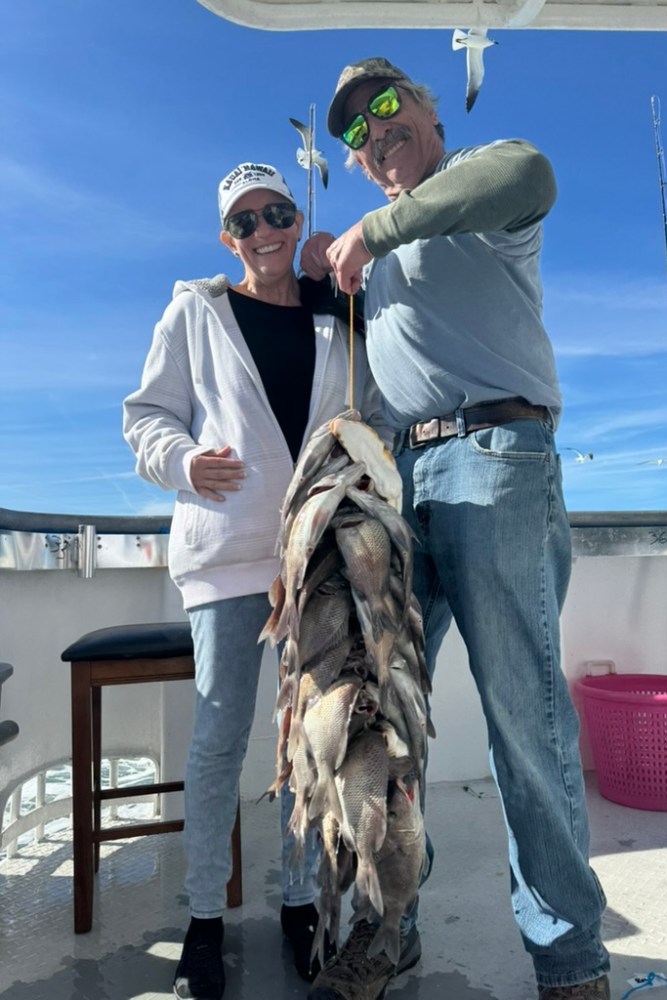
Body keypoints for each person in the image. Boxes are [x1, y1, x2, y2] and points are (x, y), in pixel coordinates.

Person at [300, 58, 611, 1000]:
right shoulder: (377, 262)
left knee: (526, 720)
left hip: (496, 458)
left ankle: (569, 962)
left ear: (431, 113)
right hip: (399, 485)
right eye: (357, 131)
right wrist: (298, 261)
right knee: (380, 722)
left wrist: (368, 230)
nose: (375, 132)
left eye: (389, 108)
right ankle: (389, 929)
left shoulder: (481, 180)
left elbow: (533, 179)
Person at [123, 160, 384, 1000]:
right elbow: (147, 415)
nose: (264, 231)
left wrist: (344, 282)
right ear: (225, 237)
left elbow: (375, 408)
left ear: (297, 215)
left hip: (320, 560)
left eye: (277, 213)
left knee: (310, 743)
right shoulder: (193, 311)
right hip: (227, 562)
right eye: (245, 221)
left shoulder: (335, 317)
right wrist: (185, 462)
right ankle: (204, 918)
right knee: (219, 739)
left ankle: (300, 902)